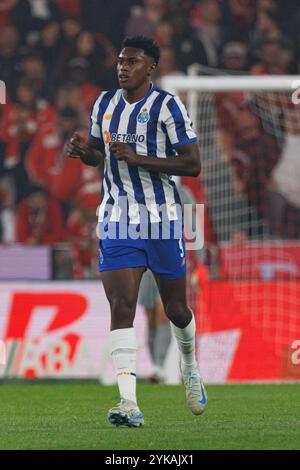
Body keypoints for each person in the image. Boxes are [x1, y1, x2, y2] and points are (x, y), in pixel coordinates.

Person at [67, 35, 207, 428]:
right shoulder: (104, 103)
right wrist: (85, 153)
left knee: (177, 310)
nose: (123, 67)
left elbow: (192, 165)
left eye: (133, 61)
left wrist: (139, 158)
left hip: (162, 219)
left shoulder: (168, 106)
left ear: (151, 68)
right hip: (117, 217)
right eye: (121, 61)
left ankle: (190, 365)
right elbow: (99, 154)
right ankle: (128, 403)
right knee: (122, 305)